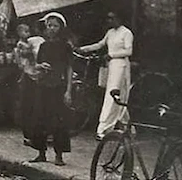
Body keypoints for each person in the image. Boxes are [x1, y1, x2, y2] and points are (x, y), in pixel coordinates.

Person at [77, 11, 133, 140]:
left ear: (119, 18)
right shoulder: (110, 32)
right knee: (117, 95)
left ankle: (103, 128)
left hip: (121, 65)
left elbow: (129, 51)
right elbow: (100, 44)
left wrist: (111, 55)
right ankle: (126, 124)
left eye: (112, 18)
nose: (109, 20)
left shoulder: (127, 33)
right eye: (108, 18)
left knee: (112, 94)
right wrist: (83, 49)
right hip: (111, 65)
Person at [29, 12, 73, 166]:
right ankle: (41, 153)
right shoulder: (43, 46)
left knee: (58, 121)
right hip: (43, 85)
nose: (52, 28)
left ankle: (59, 156)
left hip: (58, 86)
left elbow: (69, 68)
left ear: (61, 27)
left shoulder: (66, 46)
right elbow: (37, 65)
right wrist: (40, 66)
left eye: (55, 25)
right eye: (49, 26)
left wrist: (68, 90)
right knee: (40, 118)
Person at [15, 23, 45, 147]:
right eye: (24, 31)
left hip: (36, 76)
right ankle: (28, 136)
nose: (27, 34)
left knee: (35, 107)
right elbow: (21, 61)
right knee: (27, 106)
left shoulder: (35, 41)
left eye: (28, 31)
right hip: (29, 76)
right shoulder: (21, 45)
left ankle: (34, 135)